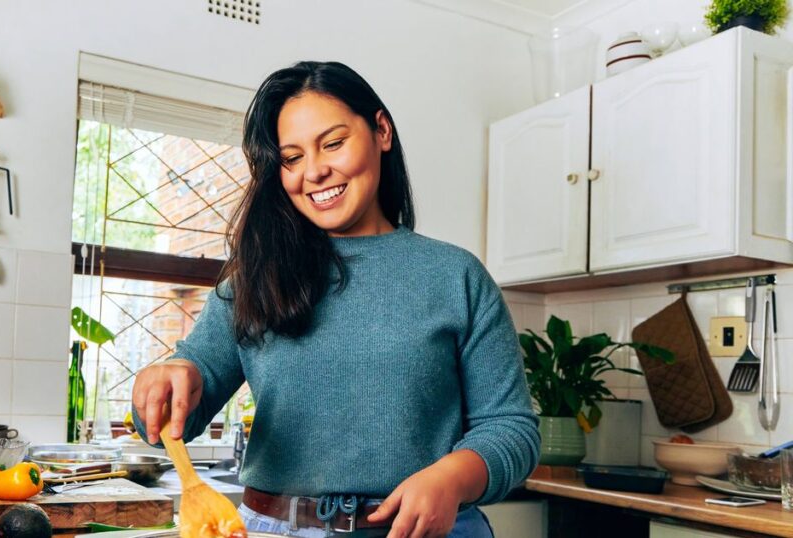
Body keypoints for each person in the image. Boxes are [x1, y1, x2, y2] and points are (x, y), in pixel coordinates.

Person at [132, 60, 539, 538]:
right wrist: (168, 382)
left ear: (381, 131)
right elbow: (171, 418)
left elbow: (511, 428)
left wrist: (451, 478)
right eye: (291, 157)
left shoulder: (456, 275)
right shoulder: (254, 278)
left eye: (333, 143)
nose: (315, 172)